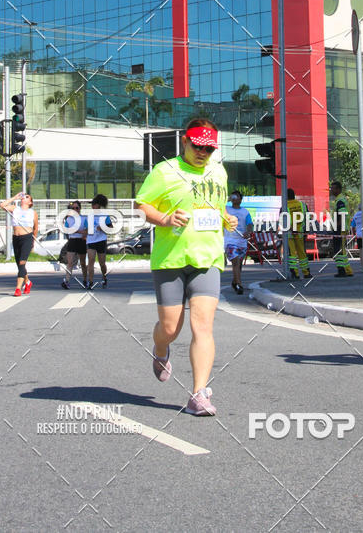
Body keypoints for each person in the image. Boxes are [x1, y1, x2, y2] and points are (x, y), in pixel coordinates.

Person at [136, 117, 238, 416]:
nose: (202, 153)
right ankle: (160, 348)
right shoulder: (164, 171)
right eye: (198, 146)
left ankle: (198, 394)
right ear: (185, 141)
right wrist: (165, 219)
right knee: (170, 327)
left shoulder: (219, 171)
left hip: (207, 258)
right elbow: (142, 204)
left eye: (208, 148)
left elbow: (215, 207)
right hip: (170, 259)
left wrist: (225, 218)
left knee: (202, 326)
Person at [0, 192, 38, 296]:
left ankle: (18, 288)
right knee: (19, 264)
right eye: (23, 197)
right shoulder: (15, 209)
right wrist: (15, 197)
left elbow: (35, 228)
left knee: (22, 263)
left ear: (30, 202)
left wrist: (33, 241)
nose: (23, 198)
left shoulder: (32, 212)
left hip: (27, 237)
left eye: (27, 197)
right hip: (16, 237)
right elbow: (2, 205)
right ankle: (27, 282)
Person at [225, 190, 253, 294]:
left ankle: (234, 281)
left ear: (241, 200)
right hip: (229, 240)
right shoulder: (226, 209)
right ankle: (239, 285)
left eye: (237, 197)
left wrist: (248, 232)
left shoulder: (245, 212)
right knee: (235, 261)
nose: (235, 198)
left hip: (241, 241)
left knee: (239, 264)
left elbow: (250, 224)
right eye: (233, 197)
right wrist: (228, 199)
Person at [86, 194, 111, 289]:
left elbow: (111, 228)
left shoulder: (105, 215)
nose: (92, 206)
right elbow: (85, 227)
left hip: (101, 240)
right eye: (91, 204)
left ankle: (104, 276)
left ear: (98, 205)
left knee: (102, 263)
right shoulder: (89, 216)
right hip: (91, 240)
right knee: (91, 260)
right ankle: (90, 282)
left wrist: (103, 228)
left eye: (94, 204)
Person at [61, 200, 87, 289]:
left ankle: (85, 280)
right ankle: (67, 280)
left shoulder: (84, 218)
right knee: (70, 262)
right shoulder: (69, 219)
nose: (75, 210)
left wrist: (83, 233)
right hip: (72, 241)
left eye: (77, 208)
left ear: (80, 208)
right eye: (73, 208)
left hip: (81, 241)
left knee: (83, 263)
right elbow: (67, 230)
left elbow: (87, 230)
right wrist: (79, 231)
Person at [286, 188, 311, 279]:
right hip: (300, 233)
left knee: (292, 254)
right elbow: (308, 218)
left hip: (289, 234)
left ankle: (295, 274)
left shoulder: (284, 206)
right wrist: (307, 231)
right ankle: (306, 272)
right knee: (302, 253)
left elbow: (283, 221)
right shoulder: (302, 205)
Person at [330, 181, 353, 277]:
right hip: (341, 228)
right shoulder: (340, 200)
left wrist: (337, 227)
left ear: (339, 189)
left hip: (340, 229)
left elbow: (342, 215)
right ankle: (344, 270)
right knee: (340, 250)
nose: (332, 190)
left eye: (334, 188)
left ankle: (343, 270)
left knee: (340, 250)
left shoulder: (340, 201)